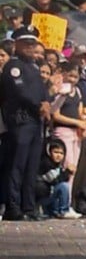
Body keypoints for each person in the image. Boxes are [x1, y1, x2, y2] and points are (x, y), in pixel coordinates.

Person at [0, 27, 52, 221]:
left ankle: (28, 207)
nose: (31, 47)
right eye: (27, 44)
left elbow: (41, 91)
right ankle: (13, 207)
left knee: (31, 167)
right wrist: (39, 105)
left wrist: (46, 103)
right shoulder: (14, 67)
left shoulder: (34, 67)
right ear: (17, 44)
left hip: (35, 121)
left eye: (33, 44)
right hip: (20, 121)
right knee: (17, 165)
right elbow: (20, 92)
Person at [36, 137, 79, 219]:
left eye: (61, 153)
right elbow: (54, 180)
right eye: (56, 152)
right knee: (63, 186)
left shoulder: (58, 165)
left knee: (61, 187)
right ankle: (64, 211)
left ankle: (55, 211)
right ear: (49, 152)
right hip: (42, 198)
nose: (58, 155)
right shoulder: (46, 164)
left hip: (49, 195)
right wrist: (67, 172)